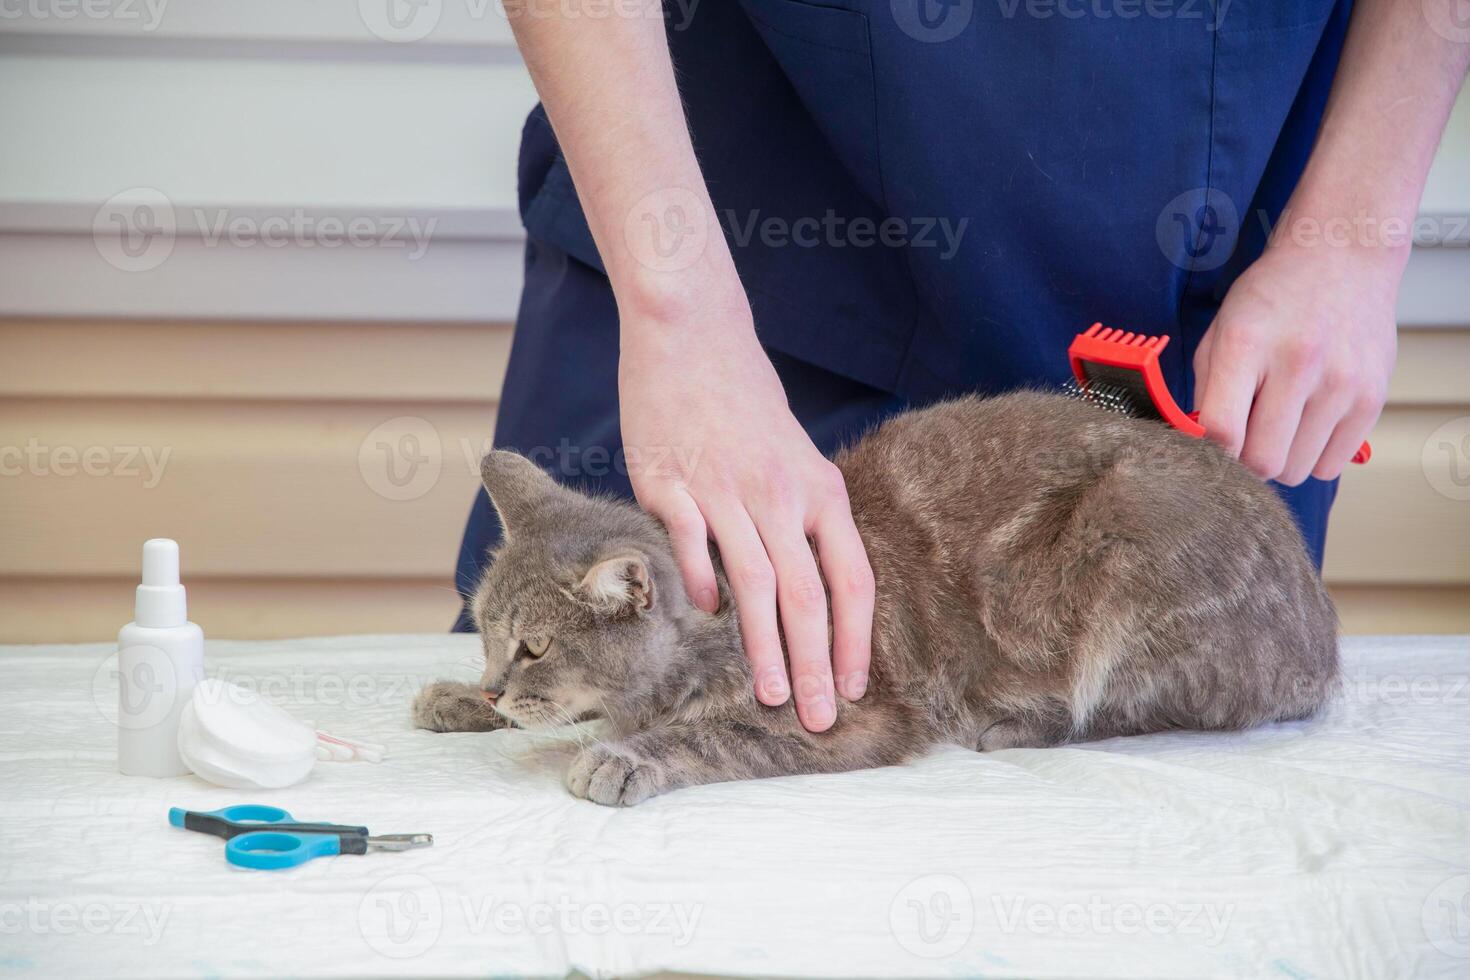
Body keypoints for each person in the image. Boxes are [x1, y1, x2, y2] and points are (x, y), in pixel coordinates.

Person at [456, 0, 1470, 735]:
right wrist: (677, 304)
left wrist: (1351, 233)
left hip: (1199, 293)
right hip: (722, 231)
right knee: (580, 786)